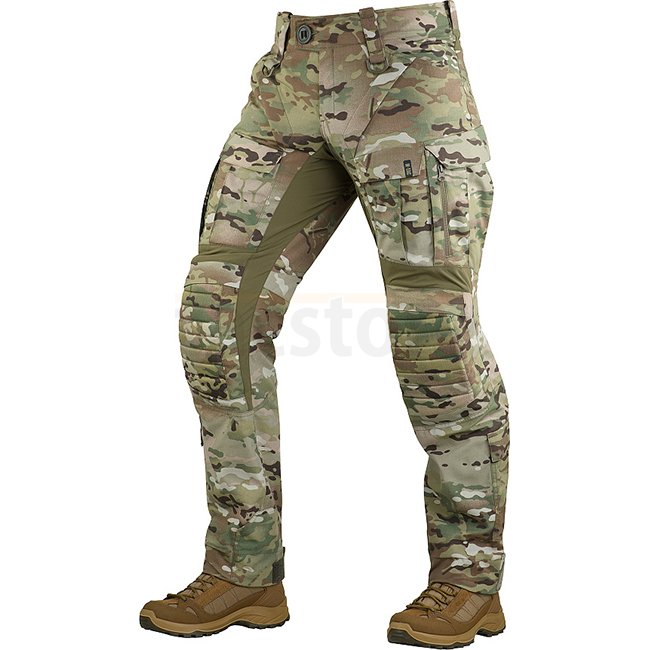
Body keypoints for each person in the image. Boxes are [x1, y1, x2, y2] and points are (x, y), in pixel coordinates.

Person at [139, 2, 510, 647]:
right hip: (290, 78)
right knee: (215, 316)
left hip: (408, 71)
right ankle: (244, 568)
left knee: (433, 334)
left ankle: (469, 576)